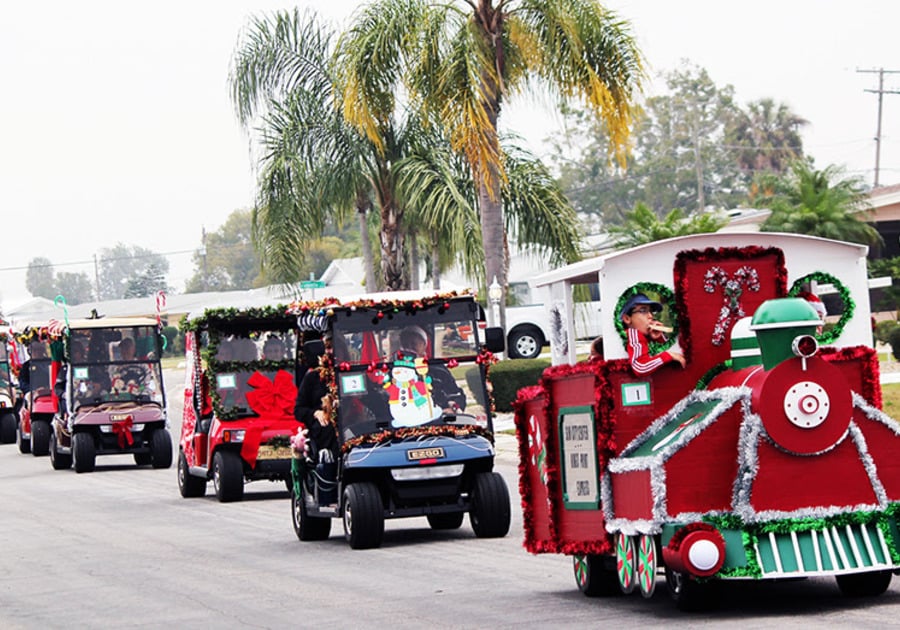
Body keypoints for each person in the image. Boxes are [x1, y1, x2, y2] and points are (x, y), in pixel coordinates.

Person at [398, 325, 466, 412]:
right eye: (405, 345)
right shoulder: (396, 371)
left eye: (414, 344)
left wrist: (453, 408)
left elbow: (456, 395)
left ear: (424, 344)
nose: (409, 348)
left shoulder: (438, 369)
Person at [620, 293, 685, 375]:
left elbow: (670, 348)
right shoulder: (633, 333)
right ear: (627, 319)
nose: (650, 316)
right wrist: (668, 355)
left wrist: (659, 337)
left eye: (651, 311)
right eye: (643, 311)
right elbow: (640, 367)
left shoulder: (644, 334)